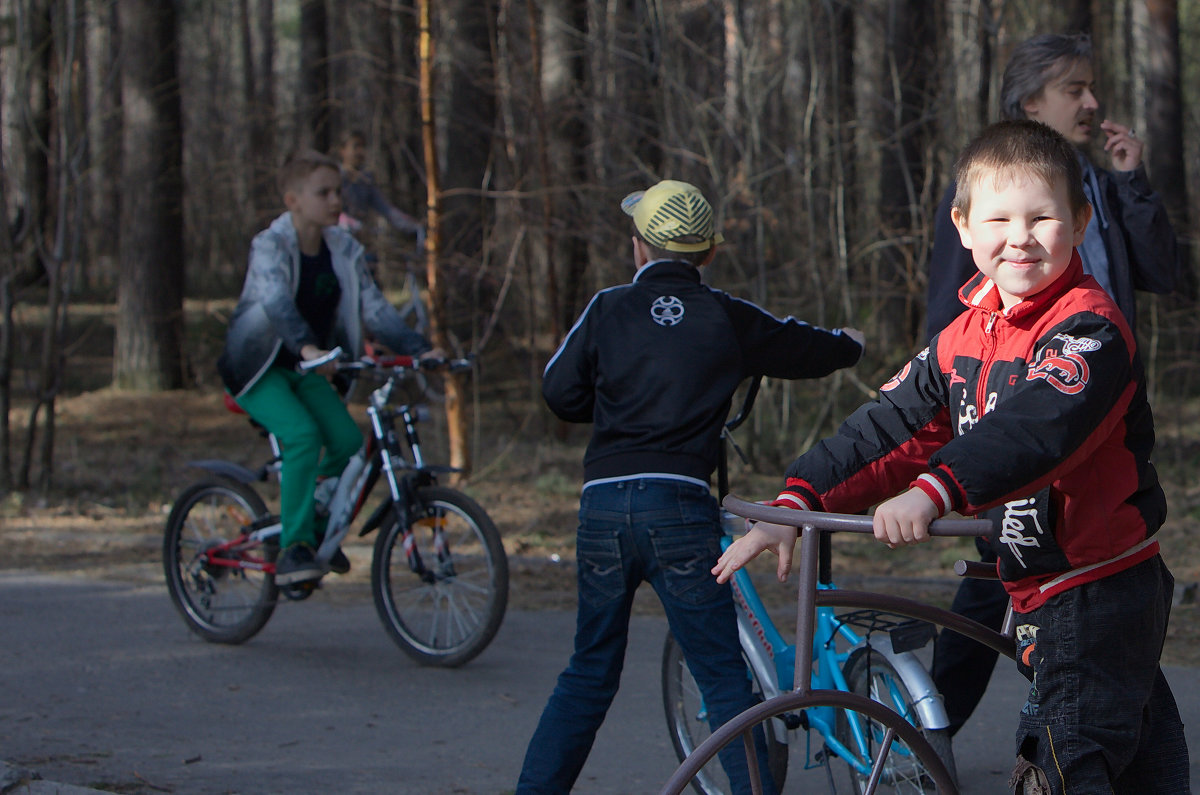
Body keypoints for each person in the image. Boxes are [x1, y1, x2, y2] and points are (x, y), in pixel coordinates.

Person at [715, 120, 1189, 794]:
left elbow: (1037, 428)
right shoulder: (964, 335)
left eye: (1043, 216)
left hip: (1097, 589)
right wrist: (798, 500)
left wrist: (937, 488)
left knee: (1063, 764)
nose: (1020, 236)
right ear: (963, 226)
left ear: (1081, 222)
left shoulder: (1088, 329)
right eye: (998, 218)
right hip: (1033, 582)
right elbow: (888, 429)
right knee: (1145, 762)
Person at [516, 180, 865, 795]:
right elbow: (803, 345)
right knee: (722, 677)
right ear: (707, 255)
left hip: (603, 507)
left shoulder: (605, 307)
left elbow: (558, 390)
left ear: (638, 249)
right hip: (679, 509)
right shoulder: (727, 316)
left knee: (589, 671)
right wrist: (850, 346)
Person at [924, 31, 1182, 739]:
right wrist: (957, 426)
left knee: (1106, 576)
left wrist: (1131, 180)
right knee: (1003, 578)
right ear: (1031, 98)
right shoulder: (990, 190)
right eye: (1075, 88)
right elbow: (949, 313)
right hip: (1015, 423)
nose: (1094, 103)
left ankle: (1083, 732)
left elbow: (1164, 272)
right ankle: (927, 728)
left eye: (1092, 88)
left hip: (1100, 424)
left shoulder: (1090, 184)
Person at [217, 149, 434, 586]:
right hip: (257, 368)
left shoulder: (344, 248)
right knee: (302, 436)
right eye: (324, 193)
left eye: (338, 192)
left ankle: (312, 519)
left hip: (305, 367)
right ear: (293, 199)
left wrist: (419, 348)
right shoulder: (270, 245)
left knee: (347, 442)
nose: (337, 201)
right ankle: (296, 547)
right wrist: (308, 347)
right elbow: (276, 300)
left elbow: (373, 307)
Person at [337, 130, 424, 253]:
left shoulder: (366, 180)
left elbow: (385, 208)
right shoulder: (334, 177)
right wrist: (350, 223)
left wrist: (410, 224)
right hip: (337, 241)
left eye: (363, 147)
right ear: (343, 150)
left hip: (360, 244)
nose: (360, 152)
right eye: (356, 146)